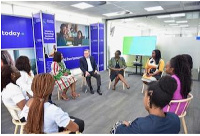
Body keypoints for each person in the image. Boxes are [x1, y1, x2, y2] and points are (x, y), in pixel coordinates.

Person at [111, 76, 180, 134]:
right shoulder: (175, 119)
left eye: (145, 95)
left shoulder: (140, 126)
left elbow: (115, 131)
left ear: (149, 99)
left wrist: (123, 124)